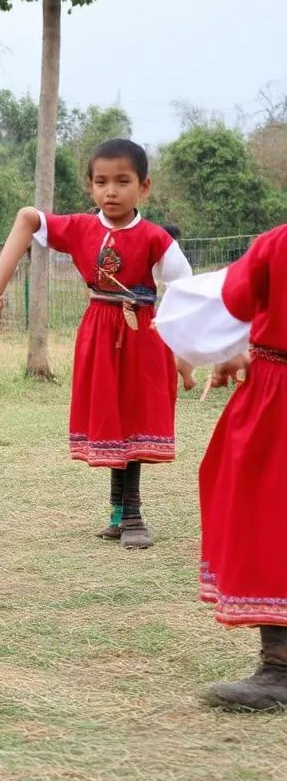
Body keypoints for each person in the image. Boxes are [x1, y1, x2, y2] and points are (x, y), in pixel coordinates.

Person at [0, 139, 195, 548]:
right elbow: (27, 218)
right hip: (99, 333)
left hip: (144, 334)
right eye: (102, 181)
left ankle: (132, 513)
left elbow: (186, 290)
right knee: (113, 420)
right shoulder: (80, 229)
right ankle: (119, 515)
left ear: (144, 187)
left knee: (135, 420)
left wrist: (184, 352)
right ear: (90, 187)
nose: (112, 191)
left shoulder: (156, 238)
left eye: (123, 181)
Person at [156, 225, 287, 709]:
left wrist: (218, 346)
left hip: (280, 399)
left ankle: (280, 667)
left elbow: (232, 301)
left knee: (268, 515)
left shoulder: (278, 244)